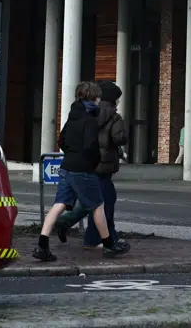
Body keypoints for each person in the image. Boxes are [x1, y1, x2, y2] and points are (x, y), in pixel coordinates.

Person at [34, 81, 129, 260]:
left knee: (59, 205)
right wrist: (93, 161)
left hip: (67, 166)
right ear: (95, 98)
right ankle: (109, 244)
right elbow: (91, 146)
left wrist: (71, 153)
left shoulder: (73, 114)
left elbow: (61, 140)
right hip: (83, 168)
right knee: (98, 205)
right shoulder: (91, 118)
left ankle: (42, 245)